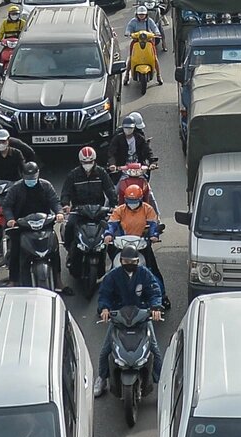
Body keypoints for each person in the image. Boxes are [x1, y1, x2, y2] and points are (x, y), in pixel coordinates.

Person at [92, 246, 165, 397]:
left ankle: (163, 383)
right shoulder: (113, 276)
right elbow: (104, 294)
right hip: (119, 319)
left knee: (155, 351)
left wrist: (156, 307)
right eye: (125, 261)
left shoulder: (144, 274)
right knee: (105, 351)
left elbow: (154, 291)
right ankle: (102, 379)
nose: (129, 263)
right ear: (121, 261)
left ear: (138, 261)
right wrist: (104, 309)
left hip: (142, 317)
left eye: (132, 261)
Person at [2, 163, 61, 285]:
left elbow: (54, 201)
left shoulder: (46, 186)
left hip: (44, 223)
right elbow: (7, 206)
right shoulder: (16, 188)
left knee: (54, 250)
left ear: (38, 174)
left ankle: (59, 280)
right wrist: (10, 219)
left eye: (33, 177)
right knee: (15, 250)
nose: (30, 180)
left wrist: (59, 212)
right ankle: (13, 279)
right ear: (23, 176)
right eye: (28, 178)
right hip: (22, 225)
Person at [62, 146, 116, 212]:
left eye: (90, 162)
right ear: (80, 161)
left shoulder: (101, 172)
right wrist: (65, 204)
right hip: (79, 210)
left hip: (98, 209)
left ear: (94, 160)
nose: (88, 164)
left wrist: (114, 205)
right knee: (70, 222)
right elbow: (66, 192)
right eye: (85, 162)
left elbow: (109, 189)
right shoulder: (73, 174)